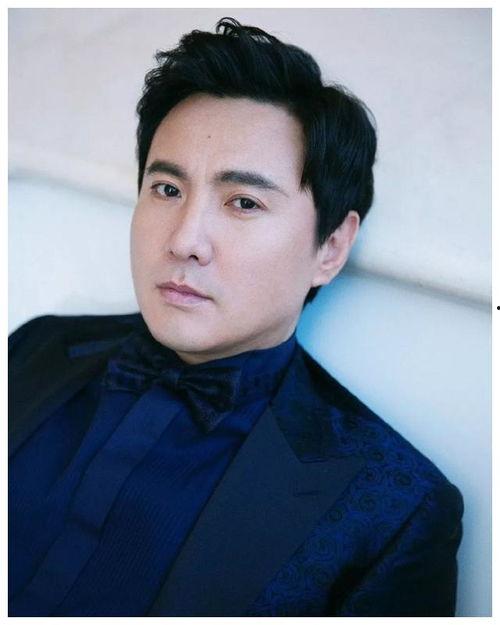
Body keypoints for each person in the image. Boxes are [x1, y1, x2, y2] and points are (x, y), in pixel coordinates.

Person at [8, 17, 463, 617]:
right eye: (167, 190)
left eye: (243, 202)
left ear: (331, 247)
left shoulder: (395, 510)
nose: (184, 241)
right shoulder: (35, 347)